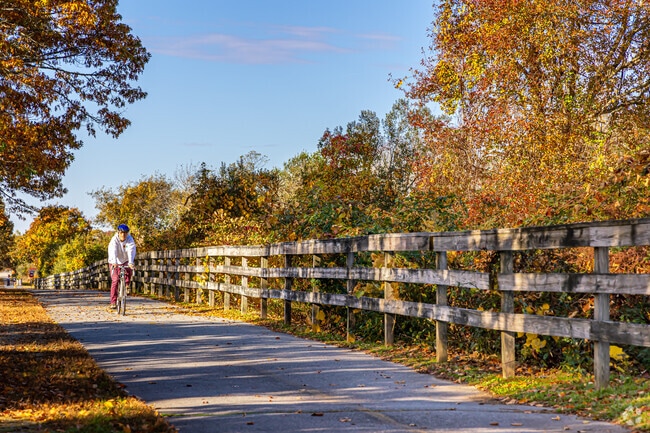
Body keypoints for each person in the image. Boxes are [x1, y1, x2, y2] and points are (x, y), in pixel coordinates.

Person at [107, 224, 136, 309]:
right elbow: (113, 251)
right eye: (121, 233)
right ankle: (113, 302)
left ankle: (127, 285)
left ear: (127, 233)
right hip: (114, 261)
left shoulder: (130, 239)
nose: (123, 235)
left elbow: (131, 250)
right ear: (118, 232)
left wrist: (130, 262)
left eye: (125, 233)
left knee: (129, 269)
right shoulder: (114, 240)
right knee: (115, 280)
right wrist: (114, 262)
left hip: (126, 259)